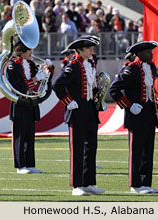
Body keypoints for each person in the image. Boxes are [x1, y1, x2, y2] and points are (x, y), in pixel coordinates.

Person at [52, 35, 105, 196]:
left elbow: (92, 86)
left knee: (91, 147)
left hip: (90, 109)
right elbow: (57, 85)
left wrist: (98, 97)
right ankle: (77, 185)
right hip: (77, 110)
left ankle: (89, 182)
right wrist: (68, 101)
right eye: (88, 48)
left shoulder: (90, 64)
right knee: (78, 148)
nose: (91, 50)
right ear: (80, 50)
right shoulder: (72, 66)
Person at [109, 41, 158, 194]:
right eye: (148, 52)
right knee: (136, 151)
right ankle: (135, 184)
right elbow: (114, 90)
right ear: (139, 54)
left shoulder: (152, 68)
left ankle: (146, 182)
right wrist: (129, 106)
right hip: (136, 114)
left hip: (150, 114)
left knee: (148, 150)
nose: (151, 54)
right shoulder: (130, 70)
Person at [7, 40, 53, 174]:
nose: (31, 53)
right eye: (28, 51)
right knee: (19, 135)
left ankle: (30, 163)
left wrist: (48, 68)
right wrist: (35, 79)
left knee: (30, 134)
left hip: (31, 102)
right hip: (19, 103)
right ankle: (20, 165)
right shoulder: (12, 66)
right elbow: (18, 86)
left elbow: (44, 79)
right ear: (21, 51)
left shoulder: (31, 64)